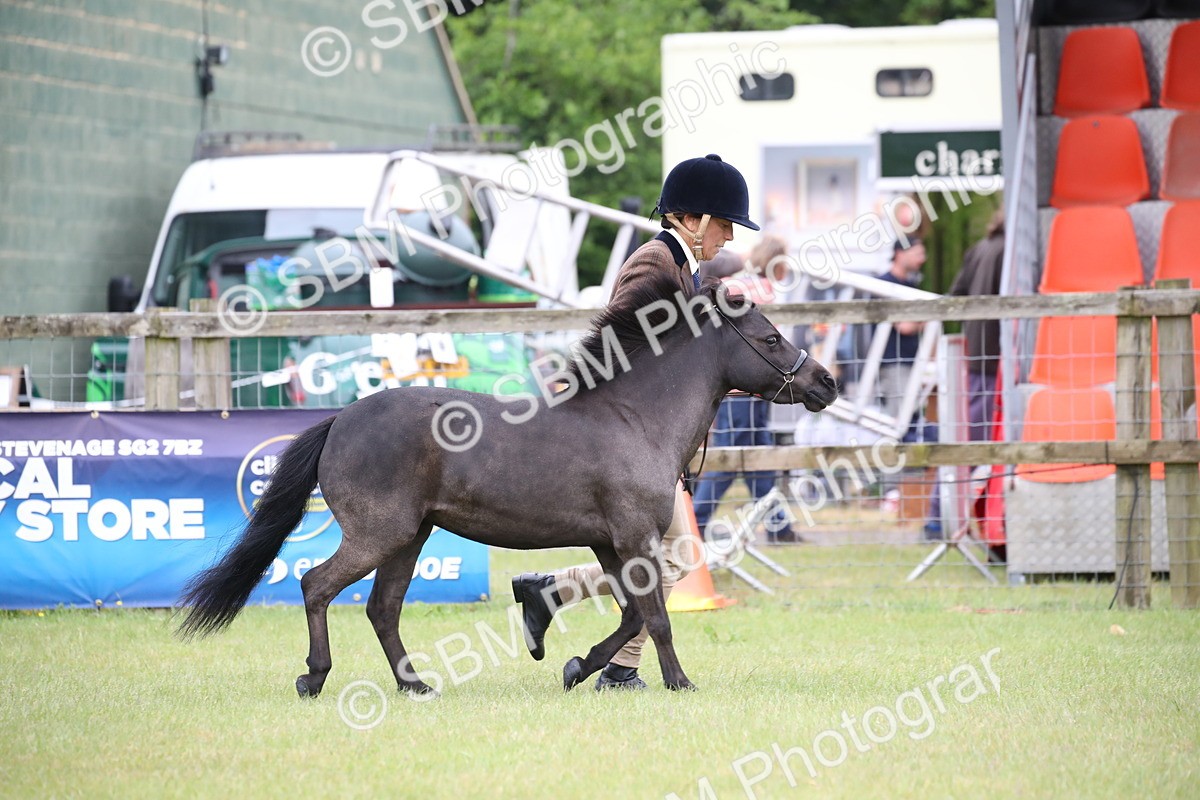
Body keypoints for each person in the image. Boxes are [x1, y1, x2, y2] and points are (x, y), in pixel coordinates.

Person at [511, 154, 760, 691]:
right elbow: (618, 344)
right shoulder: (654, 262)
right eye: (722, 225)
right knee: (667, 558)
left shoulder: (683, 266)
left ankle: (560, 601)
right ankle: (615, 661)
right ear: (691, 220)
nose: (728, 238)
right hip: (627, 440)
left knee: (667, 558)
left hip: (647, 439)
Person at [692, 235, 799, 544]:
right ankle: (696, 525)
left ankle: (779, 526)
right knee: (731, 457)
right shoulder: (763, 289)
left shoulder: (731, 284)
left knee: (757, 455)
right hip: (750, 388)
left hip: (739, 387)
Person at [877, 237, 942, 540]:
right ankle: (893, 492)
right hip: (895, 365)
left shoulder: (911, 285)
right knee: (897, 427)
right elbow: (903, 325)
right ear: (900, 253)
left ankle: (907, 493)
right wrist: (926, 315)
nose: (923, 257)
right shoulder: (885, 285)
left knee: (913, 426)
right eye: (919, 251)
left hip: (913, 365)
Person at [948, 208, 1005, 442]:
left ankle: (966, 471)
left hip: (977, 344)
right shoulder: (1011, 253)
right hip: (998, 347)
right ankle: (973, 472)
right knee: (985, 418)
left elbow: (956, 294)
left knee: (975, 414)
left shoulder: (980, 248)